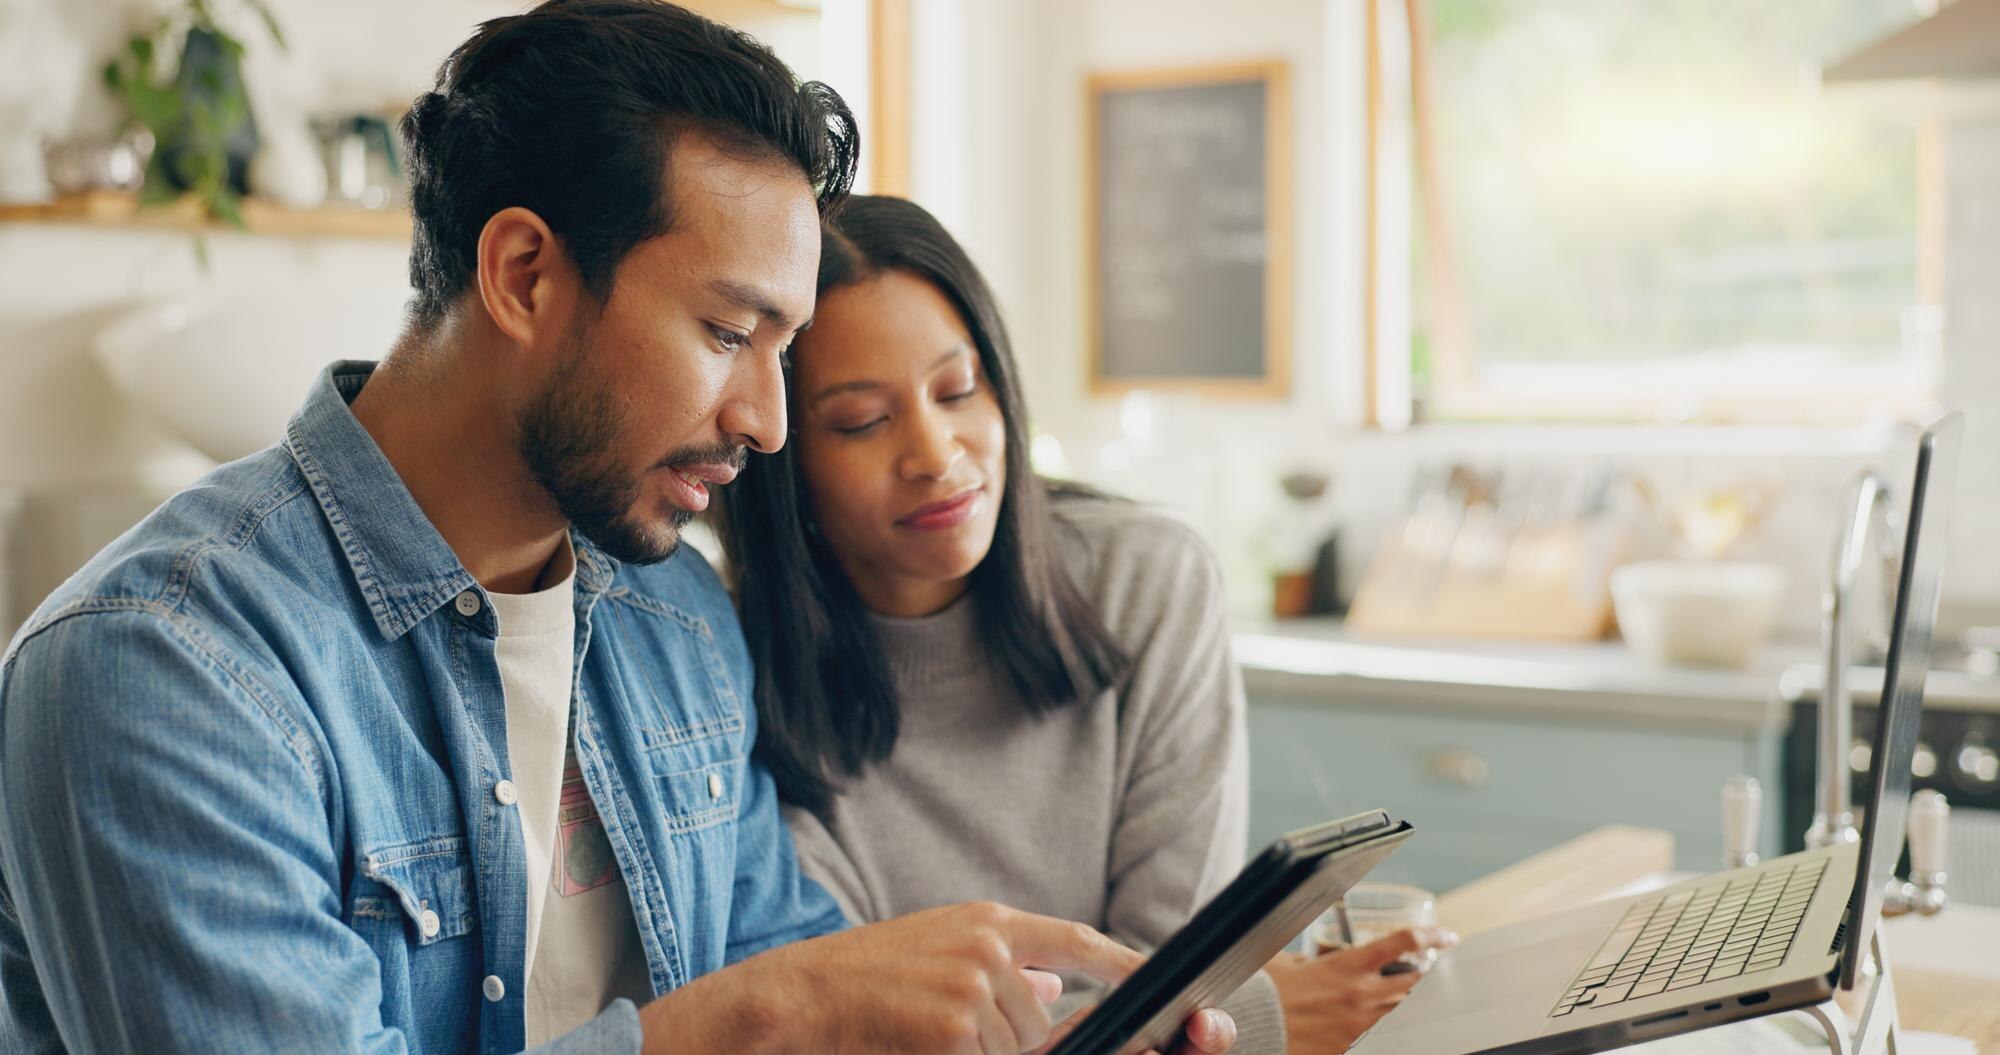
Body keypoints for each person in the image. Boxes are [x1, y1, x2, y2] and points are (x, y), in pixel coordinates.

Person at [0, 5, 1234, 1054]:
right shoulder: (163, 667)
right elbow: (775, 1001)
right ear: (524, 274)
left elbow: (790, 966)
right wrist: (751, 1017)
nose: (766, 421)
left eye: (786, 351)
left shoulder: (673, 615)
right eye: (724, 333)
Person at [717, 195, 1456, 1055]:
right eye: (862, 422)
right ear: (782, 456)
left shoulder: (1146, 581)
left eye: (959, 389)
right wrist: (1270, 1014)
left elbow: (1178, 977)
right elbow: (869, 1030)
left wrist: (1224, 1011)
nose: (936, 453)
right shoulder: (731, 665)